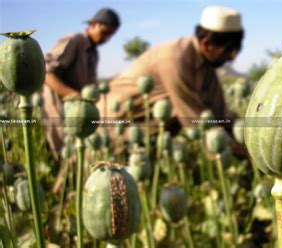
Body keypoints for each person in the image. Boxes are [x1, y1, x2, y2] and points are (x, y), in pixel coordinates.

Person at [97, 6, 245, 154]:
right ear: (206, 44)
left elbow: (222, 115)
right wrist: (250, 155)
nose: (232, 58)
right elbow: (197, 123)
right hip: (112, 129)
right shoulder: (175, 60)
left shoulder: (207, 66)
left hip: (146, 136)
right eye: (228, 50)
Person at [42, 8, 120, 160]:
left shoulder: (93, 52)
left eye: (111, 35)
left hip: (77, 108)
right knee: (63, 153)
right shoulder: (75, 41)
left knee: (77, 153)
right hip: (57, 105)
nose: (107, 39)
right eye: (105, 32)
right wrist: (74, 95)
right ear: (94, 24)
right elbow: (46, 72)